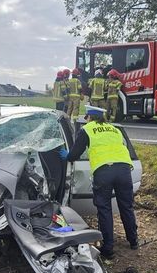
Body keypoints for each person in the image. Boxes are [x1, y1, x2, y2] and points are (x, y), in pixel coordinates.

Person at [59, 105, 138, 259]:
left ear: (89, 117)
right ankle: (133, 240)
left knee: (104, 209)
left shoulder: (87, 129)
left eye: (86, 117)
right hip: (124, 170)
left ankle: (108, 248)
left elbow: (75, 154)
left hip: (104, 171)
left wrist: (66, 156)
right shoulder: (115, 130)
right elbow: (123, 147)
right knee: (126, 206)